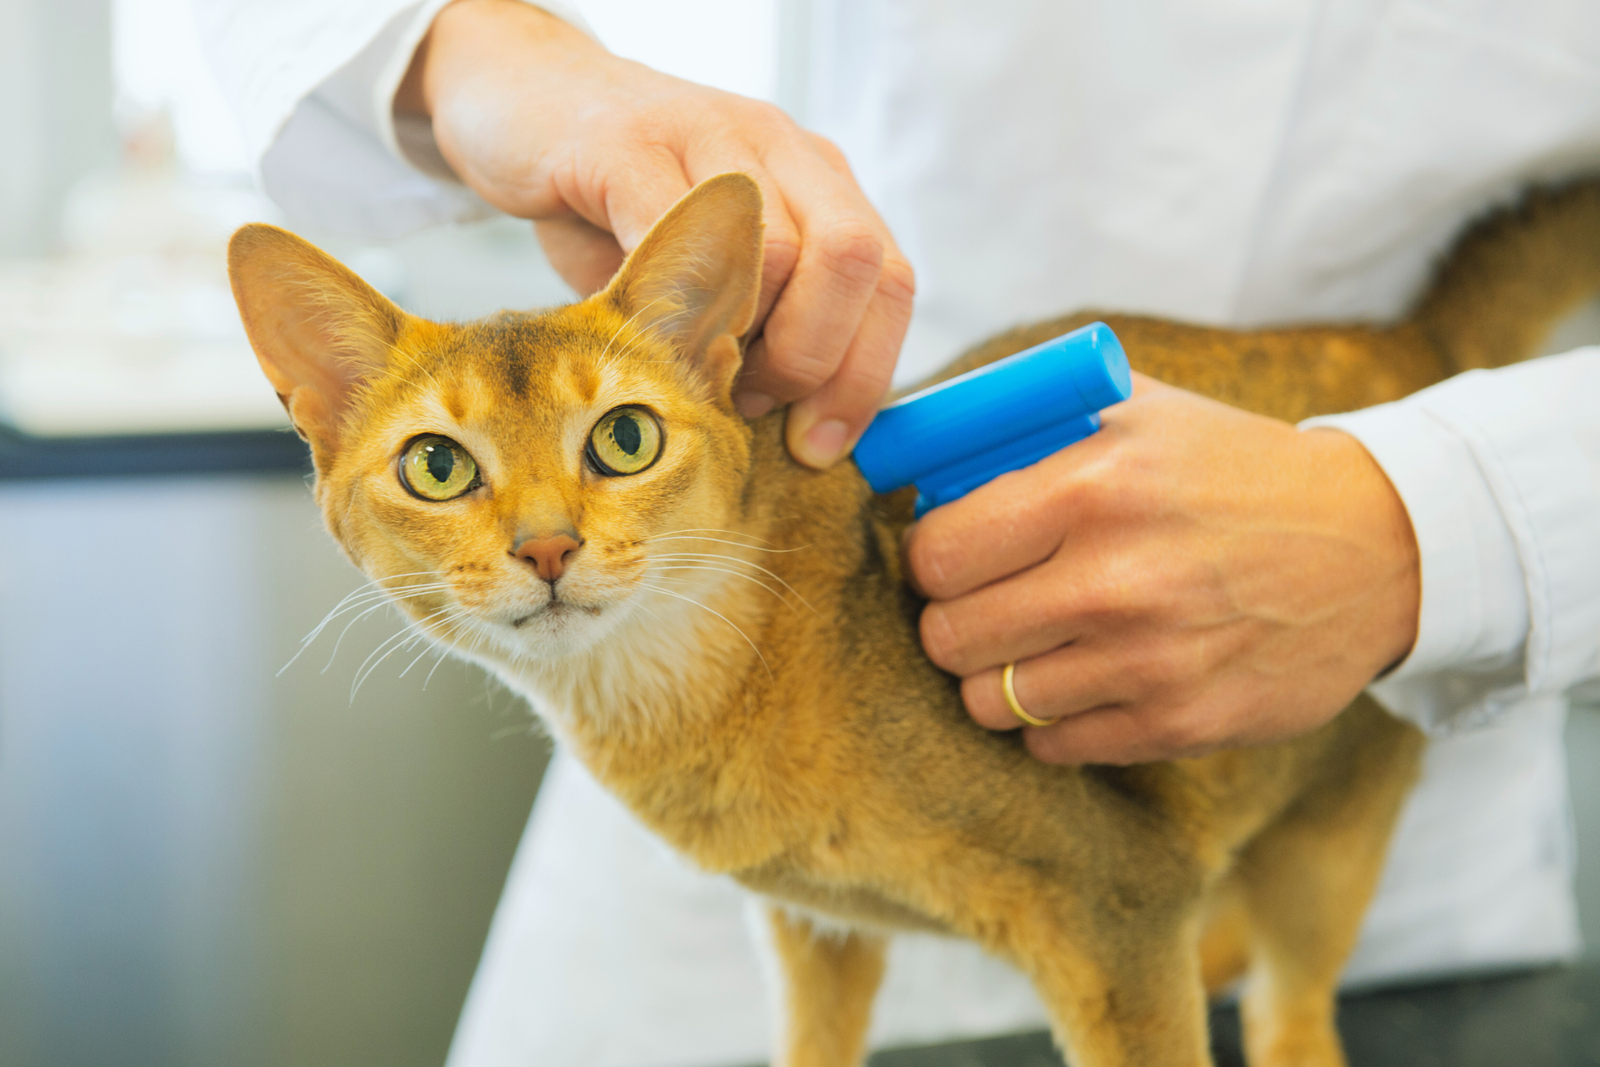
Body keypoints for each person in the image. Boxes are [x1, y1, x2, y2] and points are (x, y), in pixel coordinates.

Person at [199, 1, 1600, 1063]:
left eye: (610, 446)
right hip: (818, 463)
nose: (543, 538)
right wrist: (477, 45)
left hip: (1437, 526)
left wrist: (1442, 517)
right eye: (445, 469)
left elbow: (1123, 888)